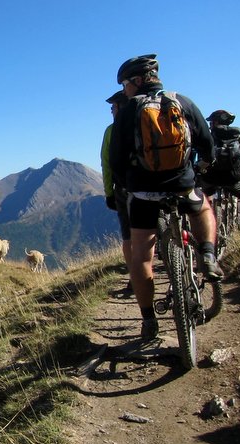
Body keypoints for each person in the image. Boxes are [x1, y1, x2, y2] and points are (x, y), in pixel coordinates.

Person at [109, 54, 221, 341]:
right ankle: (207, 254)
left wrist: (125, 186)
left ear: (136, 80)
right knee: (203, 209)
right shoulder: (181, 101)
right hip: (182, 185)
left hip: (144, 193)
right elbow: (207, 143)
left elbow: (116, 159)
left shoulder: (129, 110)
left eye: (124, 84)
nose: (124, 90)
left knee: (141, 258)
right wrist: (200, 168)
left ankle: (148, 320)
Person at [198, 109, 240, 233]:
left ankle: (204, 228)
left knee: (204, 196)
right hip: (233, 177)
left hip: (210, 177)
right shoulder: (238, 136)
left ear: (214, 122)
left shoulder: (206, 136)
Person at [101, 90, 132, 293]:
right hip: (164, 184)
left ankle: (135, 276)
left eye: (113, 107)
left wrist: (109, 193)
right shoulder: (146, 123)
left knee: (130, 237)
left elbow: (107, 163)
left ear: (120, 107)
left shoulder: (113, 130)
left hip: (127, 189)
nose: (111, 111)